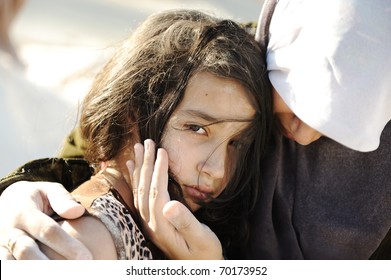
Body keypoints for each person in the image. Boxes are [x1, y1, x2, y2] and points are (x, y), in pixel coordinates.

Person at [1, 0, 391, 260]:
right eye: (298, 97)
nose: (303, 132)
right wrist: (18, 191)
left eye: (340, 123)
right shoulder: (230, 59)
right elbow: (100, 146)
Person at [0, 8, 272, 259]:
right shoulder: (84, 243)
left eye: (237, 142)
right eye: (198, 129)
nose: (218, 170)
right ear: (131, 116)